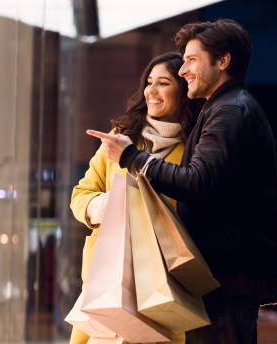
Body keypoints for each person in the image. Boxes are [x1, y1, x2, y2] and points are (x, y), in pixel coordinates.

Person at [88, 19, 277, 344]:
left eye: (192, 59)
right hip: (221, 275)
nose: (183, 70)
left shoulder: (231, 112)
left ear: (223, 61)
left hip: (227, 276)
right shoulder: (223, 109)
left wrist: (131, 159)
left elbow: (198, 182)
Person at [70, 52, 198, 344]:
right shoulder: (121, 137)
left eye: (163, 83)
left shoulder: (194, 149)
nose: (151, 91)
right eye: (149, 82)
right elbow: (81, 195)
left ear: (183, 91)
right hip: (108, 279)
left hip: (163, 284)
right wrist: (108, 206)